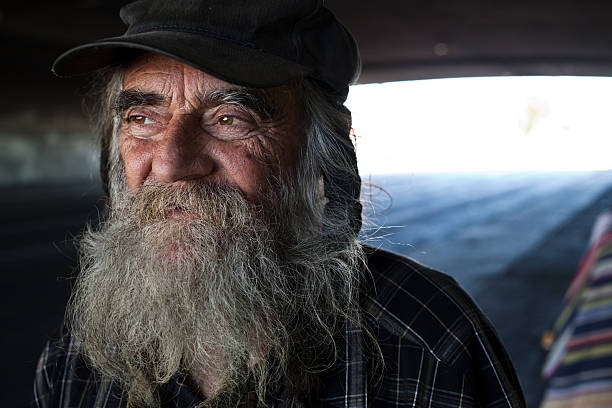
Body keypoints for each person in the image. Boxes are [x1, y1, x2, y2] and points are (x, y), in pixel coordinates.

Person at [33, 1, 526, 407]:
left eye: (230, 119)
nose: (169, 164)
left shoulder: (429, 343)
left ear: (321, 154)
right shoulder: (76, 360)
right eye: (142, 118)